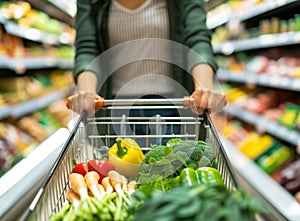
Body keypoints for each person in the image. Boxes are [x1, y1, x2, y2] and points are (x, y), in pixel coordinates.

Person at [67, 0, 226, 142]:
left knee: (174, 171)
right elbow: (88, 47)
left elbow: (197, 38)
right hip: (114, 110)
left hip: (173, 108)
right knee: (118, 174)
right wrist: (87, 92)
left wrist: (203, 89)